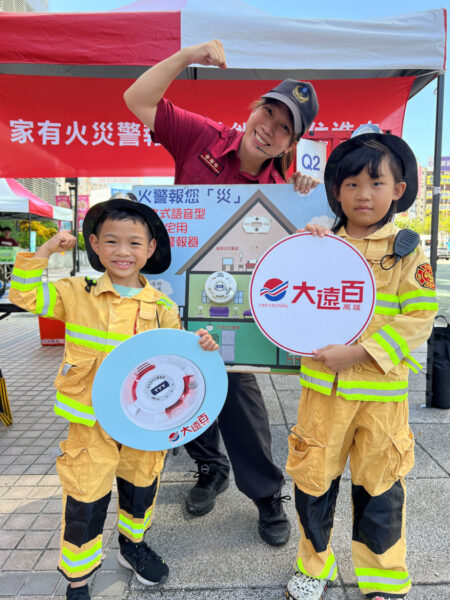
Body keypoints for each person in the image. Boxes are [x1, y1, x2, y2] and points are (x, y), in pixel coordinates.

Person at [123, 39, 320, 546]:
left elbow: (314, 243)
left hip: (234, 310)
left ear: (292, 141)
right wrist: (186, 57)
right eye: (269, 113)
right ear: (254, 108)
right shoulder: (202, 136)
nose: (270, 130)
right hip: (173, 294)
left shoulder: (286, 187)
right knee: (181, 381)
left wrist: (309, 207)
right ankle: (210, 469)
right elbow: (137, 100)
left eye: (284, 128)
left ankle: (266, 493)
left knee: (237, 389)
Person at [9, 193, 218, 600]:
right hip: (92, 420)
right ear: (94, 244)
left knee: (142, 484)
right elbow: (24, 296)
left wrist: (202, 345)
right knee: (86, 495)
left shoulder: (161, 305)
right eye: (111, 241)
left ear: (151, 248)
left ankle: (132, 547)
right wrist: (48, 248)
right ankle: (78, 577)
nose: (123, 251)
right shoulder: (76, 291)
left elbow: (179, 361)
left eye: (134, 243)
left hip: (146, 423)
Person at [285, 126, 438, 600]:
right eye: (351, 184)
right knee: (313, 482)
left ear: (398, 190)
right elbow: (285, 297)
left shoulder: (408, 251)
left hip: (382, 398)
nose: (363, 194)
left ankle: (384, 578)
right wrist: (305, 243)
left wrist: (359, 353)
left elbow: (420, 316)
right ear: (336, 191)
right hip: (323, 395)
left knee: (381, 487)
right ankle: (315, 567)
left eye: (376, 183)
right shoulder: (320, 245)